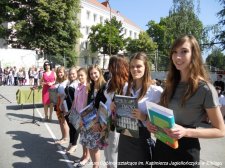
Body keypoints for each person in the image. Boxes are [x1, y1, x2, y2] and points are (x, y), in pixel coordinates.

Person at [147, 35, 225, 167]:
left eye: (184, 51)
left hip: (186, 152)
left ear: (194, 54)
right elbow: (162, 113)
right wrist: (152, 124)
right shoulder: (170, 84)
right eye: (175, 52)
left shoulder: (205, 89)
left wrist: (186, 131)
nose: (178, 57)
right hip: (162, 147)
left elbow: (220, 131)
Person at [111, 52, 163, 167]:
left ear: (146, 68)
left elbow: (162, 122)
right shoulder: (126, 87)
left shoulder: (156, 91)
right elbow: (118, 115)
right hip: (125, 136)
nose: (135, 69)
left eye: (139, 66)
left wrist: (143, 116)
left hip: (142, 138)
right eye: (132, 66)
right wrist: (114, 107)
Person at [78, 65, 106, 168]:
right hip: (88, 119)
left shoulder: (104, 86)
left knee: (95, 147)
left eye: (95, 73)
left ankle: (96, 166)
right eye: (91, 74)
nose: (93, 75)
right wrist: (82, 118)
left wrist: (98, 122)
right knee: (89, 144)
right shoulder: (91, 86)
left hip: (97, 121)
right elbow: (87, 105)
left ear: (100, 72)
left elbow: (103, 107)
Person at [103, 55, 129, 168]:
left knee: (114, 152)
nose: (109, 68)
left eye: (112, 65)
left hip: (117, 123)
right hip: (107, 119)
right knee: (107, 150)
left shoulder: (126, 85)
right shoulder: (110, 82)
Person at [64, 67, 79, 154]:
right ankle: (71, 143)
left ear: (76, 74)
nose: (71, 75)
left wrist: (71, 109)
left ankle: (74, 145)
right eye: (70, 74)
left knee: (75, 127)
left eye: (73, 73)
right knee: (71, 127)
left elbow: (76, 99)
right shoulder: (69, 82)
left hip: (74, 108)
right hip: (67, 107)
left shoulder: (77, 84)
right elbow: (67, 95)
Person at [54, 66, 69, 145]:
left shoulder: (67, 81)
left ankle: (66, 138)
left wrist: (60, 94)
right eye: (58, 72)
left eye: (61, 72)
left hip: (63, 104)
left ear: (64, 73)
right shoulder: (57, 81)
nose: (59, 74)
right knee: (60, 121)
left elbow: (68, 94)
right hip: (57, 103)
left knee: (64, 121)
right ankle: (63, 137)